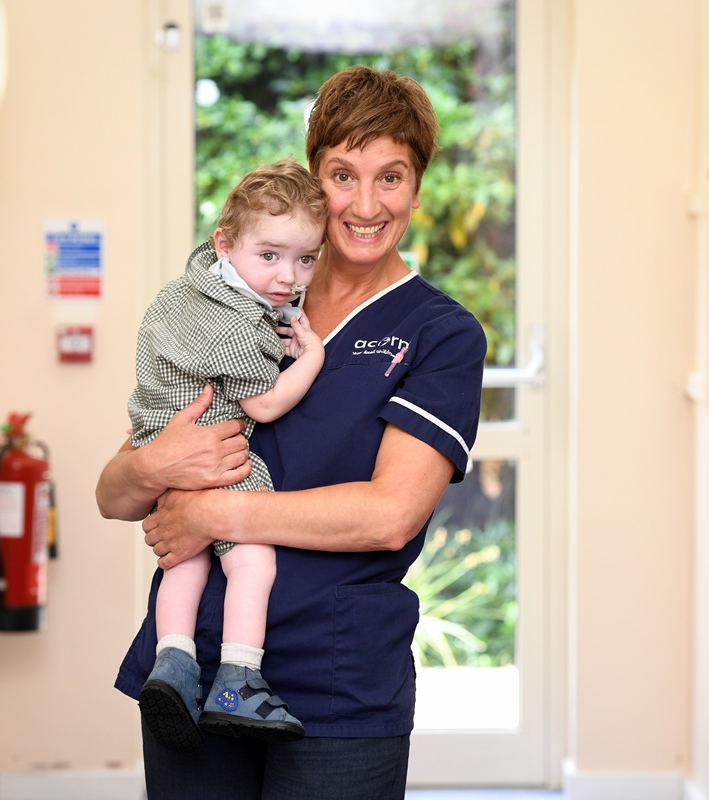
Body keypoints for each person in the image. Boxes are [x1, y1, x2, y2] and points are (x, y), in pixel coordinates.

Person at [96, 65, 486, 799]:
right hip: (191, 674)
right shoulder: (245, 294)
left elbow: (389, 514)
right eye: (343, 174)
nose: (366, 204)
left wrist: (210, 511)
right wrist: (156, 466)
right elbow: (113, 494)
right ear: (315, 177)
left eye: (391, 177)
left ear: (419, 184)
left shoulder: (441, 334)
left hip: (335, 684)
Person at [126, 158, 329, 753]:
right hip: (216, 458)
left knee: (183, 561)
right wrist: (310, 358)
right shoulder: (235, 326)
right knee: (252, 562)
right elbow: (263, 407)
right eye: (269, 256)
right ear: (225, 244)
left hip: (161, 447)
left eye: (305, 259)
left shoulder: (188, 289)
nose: (289, 276)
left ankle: (173, 664)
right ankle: (238, 679)